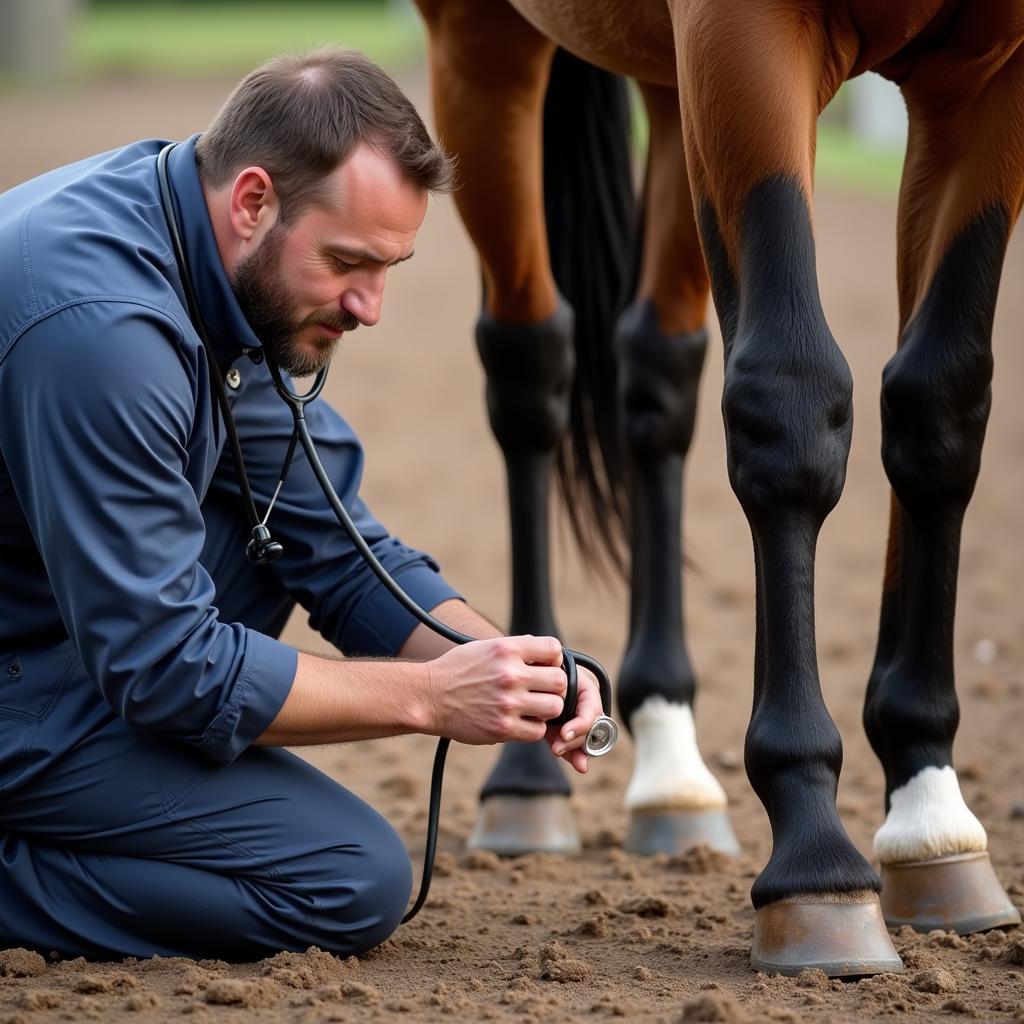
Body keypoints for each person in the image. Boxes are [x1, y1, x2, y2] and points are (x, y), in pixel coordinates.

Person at [0, 47, 602, 961]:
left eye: (391, 266)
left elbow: (339, 548)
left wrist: (513, 667)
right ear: (253, 201)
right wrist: (432, 698)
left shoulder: (207, 258)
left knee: (261, 520)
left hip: (54, 630)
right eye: (349, 262)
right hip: (31, 674)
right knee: (345, 878)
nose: (371, 306)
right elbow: (163, 662)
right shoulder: (106, 334)